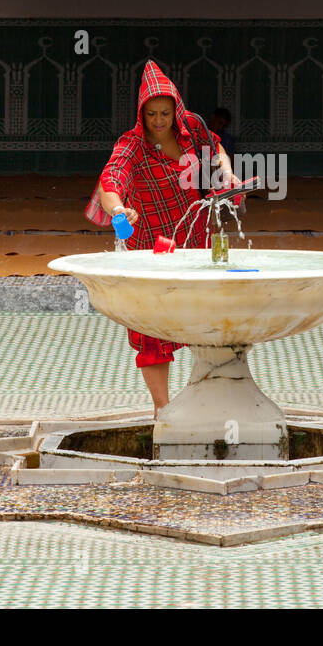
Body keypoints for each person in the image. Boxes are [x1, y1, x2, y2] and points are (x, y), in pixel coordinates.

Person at [86, 61, 237, 416]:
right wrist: (119, 210)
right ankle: (163, 410)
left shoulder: (194, 127)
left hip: (195, 239)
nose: (158, 120)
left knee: (210, 318)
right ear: (142, 114)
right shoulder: (132, 145)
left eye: (164, 113)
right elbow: (111, 181)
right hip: (150, 250)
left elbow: (215, 150)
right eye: (151, 114)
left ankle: (207, 400)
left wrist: (226, 172)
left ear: (176, 110)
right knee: (152, 331)